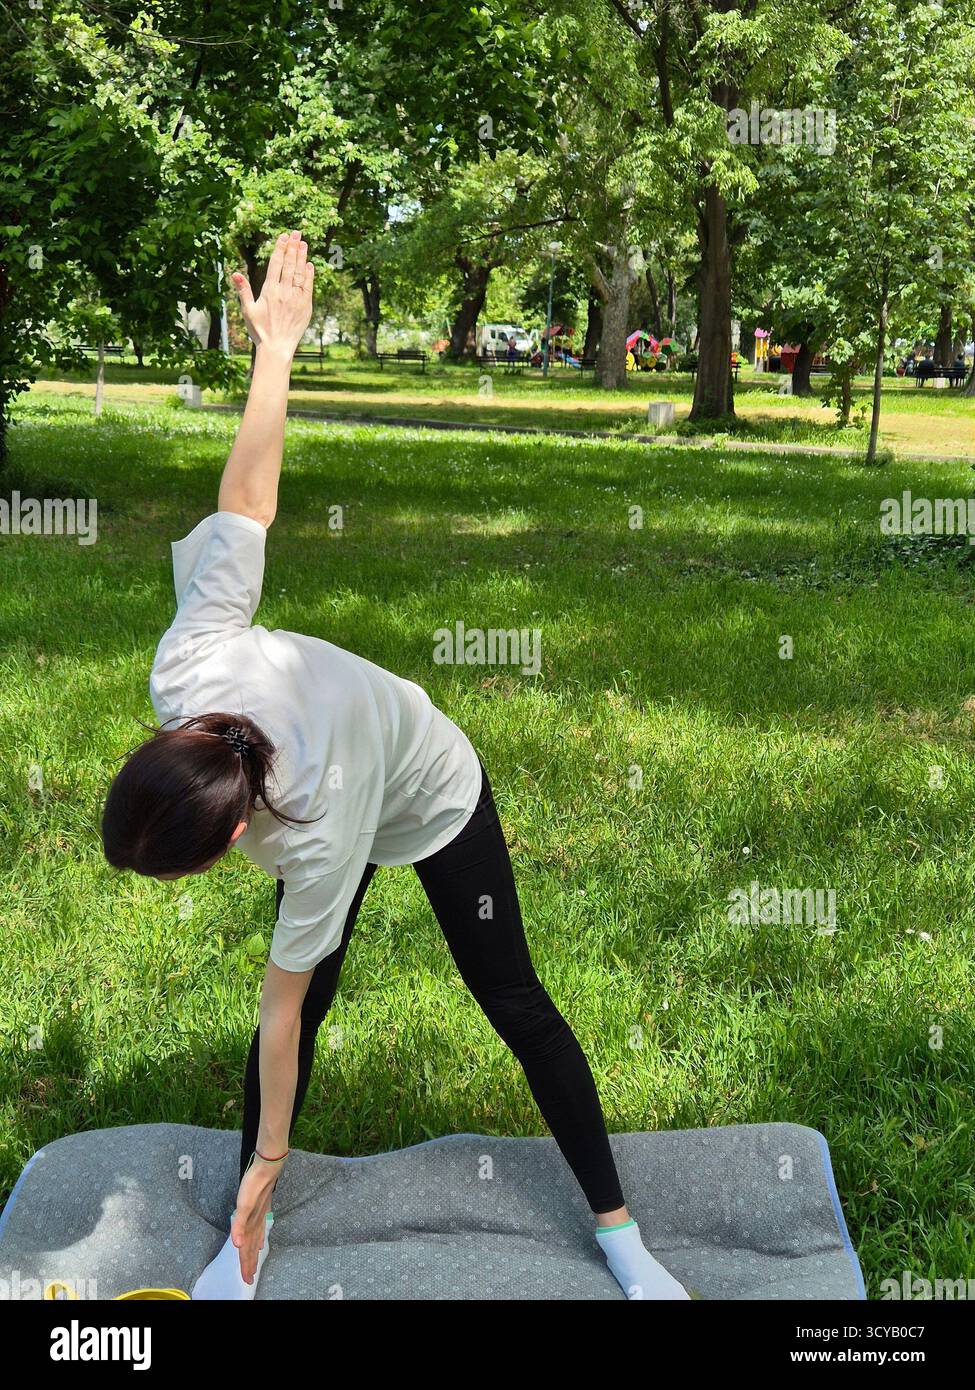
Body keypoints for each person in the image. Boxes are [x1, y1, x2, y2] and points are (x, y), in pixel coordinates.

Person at [101, 230, 689, 1303]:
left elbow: (275, 1011)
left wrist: (275, 1155)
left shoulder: (310, 831)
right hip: (328, 775)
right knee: (306, 999)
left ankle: (620, 1236)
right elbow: (248, 505)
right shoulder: (188, 671)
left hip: (426, 785)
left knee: (510, 996)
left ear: (234, 834)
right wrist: (272, 354)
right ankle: (247, 1241)